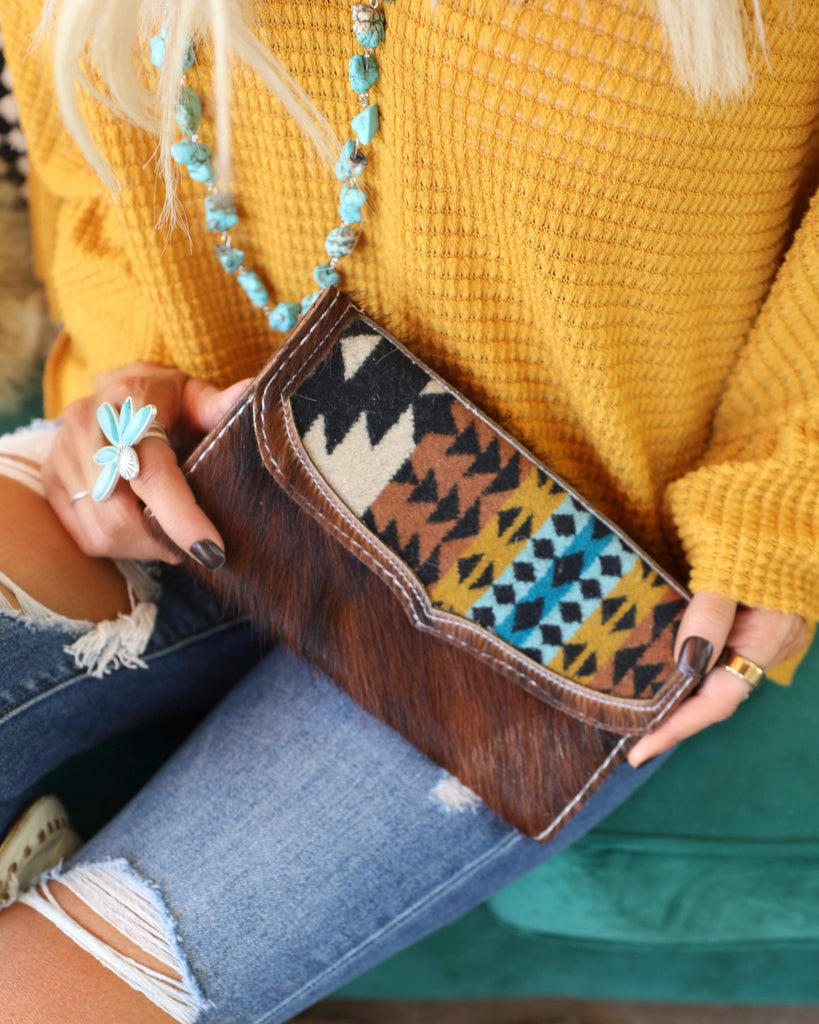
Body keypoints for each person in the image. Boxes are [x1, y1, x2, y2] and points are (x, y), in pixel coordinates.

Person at [0, 0, 814, 1020]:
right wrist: (129, 373)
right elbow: (79, 147)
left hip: (544, 575)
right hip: (195, 455)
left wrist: (785, 500)